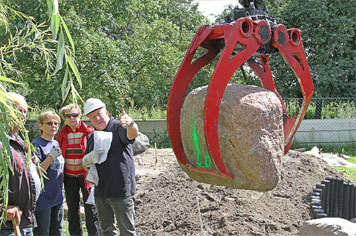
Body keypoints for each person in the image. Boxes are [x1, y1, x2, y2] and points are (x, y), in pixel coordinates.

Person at [82, 98, 139, 236]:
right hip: (101, 192)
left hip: (120, 190)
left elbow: (132, 135)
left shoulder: (118, 127)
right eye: (93, 116)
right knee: (107, 230)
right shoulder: (92, 137)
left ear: (106, 112)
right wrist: (87, 160)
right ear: (89, 119)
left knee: (127, 231)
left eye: (99, 114)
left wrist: (131, 123)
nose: (97, 118)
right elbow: (87, 166)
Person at [56, 104, 100, 236]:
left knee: (91, 209)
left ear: (80, 115)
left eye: (75, 115)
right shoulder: (62, 134)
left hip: (86, 177)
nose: (72, 118)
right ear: (64, 119)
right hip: (69, 177)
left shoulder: (89, 132)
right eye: (68, 116)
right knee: (73, 210)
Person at [0, 92, 39, 236]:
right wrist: (2, 210)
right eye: (17, 110)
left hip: (22, 220)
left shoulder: (19, 142)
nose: (22, 115)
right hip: (6, 224)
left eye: (24, 111)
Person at [32, 111, 64, 236]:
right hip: (43, 199)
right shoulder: (36, 145)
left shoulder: (55, 143)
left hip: (58, 197)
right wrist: (50, 157)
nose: (54, 126)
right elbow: (36, 173)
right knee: (43, 232)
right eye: (49, 123)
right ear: (40, 125)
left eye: (56, 123)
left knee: (57, 232)